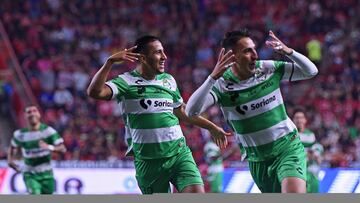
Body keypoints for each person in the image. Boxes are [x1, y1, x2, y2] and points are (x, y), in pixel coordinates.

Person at [87, 35, 229, 194]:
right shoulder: (126, 82)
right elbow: (95, 92)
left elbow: (181, 111)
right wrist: (109, 62)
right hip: (148, 162)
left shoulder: (168, 80)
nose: (164, 57)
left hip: (179, 154)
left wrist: (211, 127)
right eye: (158, 53)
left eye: (163, 52)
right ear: (143, 58)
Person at [185, 29, 319, 193]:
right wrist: (212, 78)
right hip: (257, 159)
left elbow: (311, 71)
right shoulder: (221, 84)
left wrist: (288, 52)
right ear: (232, 56)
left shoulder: (267, 68)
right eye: (247, 51)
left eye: (254, 49)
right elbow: (191, 111)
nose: (255, 54)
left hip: (287, 147)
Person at [7, 105, 66, 194]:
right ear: (25, 116)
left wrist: (49, 147)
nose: (32, 114)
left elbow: (62, 149)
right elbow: (12, 147)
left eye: (34, 111)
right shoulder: (20, 134)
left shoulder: (48, 131)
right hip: (30, 174)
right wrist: (10, 160)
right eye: (29, 112)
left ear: (39, 114)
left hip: (47, 174)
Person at [293, 107, 323, 193]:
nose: (299, 120)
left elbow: (317, 148)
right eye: (297, 118)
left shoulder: (310, 135)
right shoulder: (289, 135)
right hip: (295, 171)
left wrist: (316, 155)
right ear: (293, 120)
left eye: (301, 118)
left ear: (305, 120)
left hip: (308, 172)